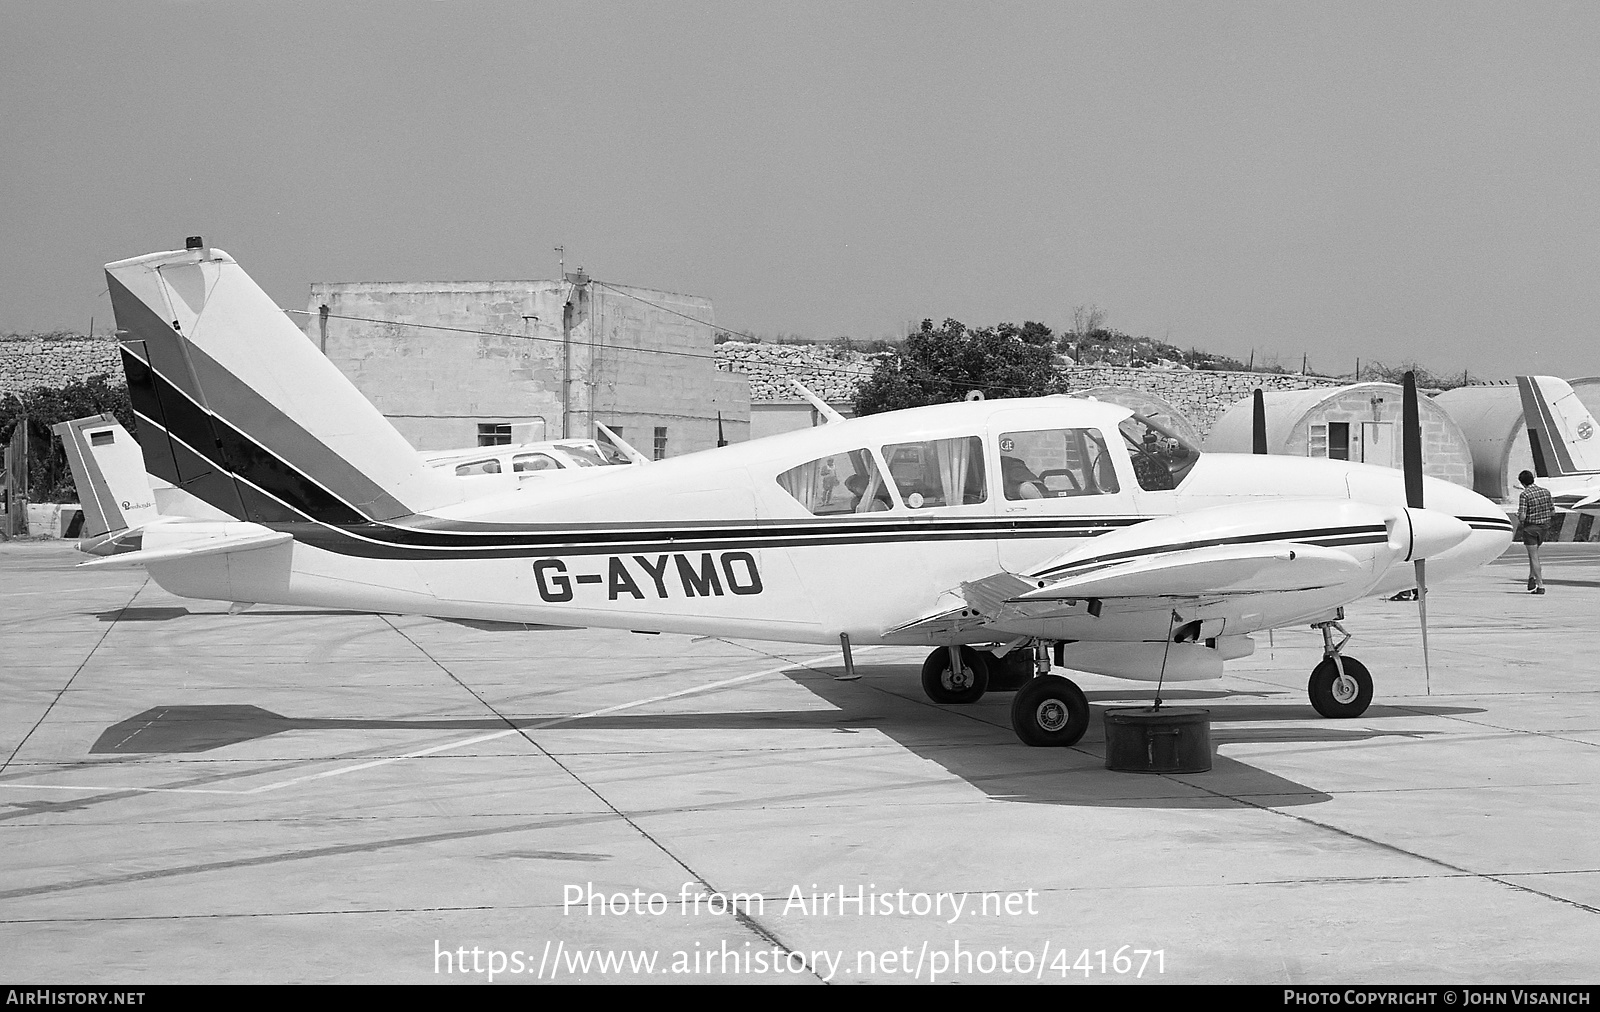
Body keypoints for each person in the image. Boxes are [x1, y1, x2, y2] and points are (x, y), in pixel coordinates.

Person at [1516, 469, 1554, 594]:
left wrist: (1518, 515)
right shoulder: (1545, 492)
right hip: (1544, 527)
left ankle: (1540, 585)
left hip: (1531, 528)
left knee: (1533, 557)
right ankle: (1531, 578)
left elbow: (1522, 516)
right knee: (1535, 555)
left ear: (1522, 483)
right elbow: (1552, 511)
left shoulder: (1525, 495)